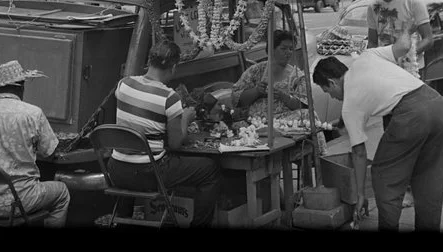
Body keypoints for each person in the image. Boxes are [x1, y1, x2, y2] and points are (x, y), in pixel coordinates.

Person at [312, 31, 443, 232]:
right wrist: (408, 26)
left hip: (411, 115)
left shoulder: (349, 105)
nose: (332, 97)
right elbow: (403, 46)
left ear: (332, 82)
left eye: (328, 92)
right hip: (437, 105)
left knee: (383, 173)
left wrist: (360, 195)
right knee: (428, 175)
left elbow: (359, 154)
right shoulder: (367, 56)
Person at [107, 39, 222, 227]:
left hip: (116, 169)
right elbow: (176, 143)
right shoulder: (170, 98)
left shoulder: (123, 85)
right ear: (174, 67)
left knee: (132, 158)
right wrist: (185, 118)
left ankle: (124, 222)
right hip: (148, 173)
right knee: (209, 170)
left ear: (150, 61)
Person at [0, 60, 70, 227]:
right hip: (20, 201)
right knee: (62, 193)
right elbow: (49, 152)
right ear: (21, 87)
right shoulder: (33, 113)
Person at [365, 0, 434, 207]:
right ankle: (401, 188)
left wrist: (408, 52)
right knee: (392, 134)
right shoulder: (373, 7)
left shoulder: (413, 2)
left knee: (412, 131)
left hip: (410, 75)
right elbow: (372, 42)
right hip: (386, 78)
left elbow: (429, 38)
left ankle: (417, 187)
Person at [231, 29, 327, 154]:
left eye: (291, 49)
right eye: (283, 48)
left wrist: (284, 97)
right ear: (272, 50)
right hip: (256, 121)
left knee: (310, 115)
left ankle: (319, 154)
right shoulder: (255, 71)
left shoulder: (296, 75)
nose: (288, 53)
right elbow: (236, 99)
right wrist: (256, 91)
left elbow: (304, 105)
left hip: (283, 121)